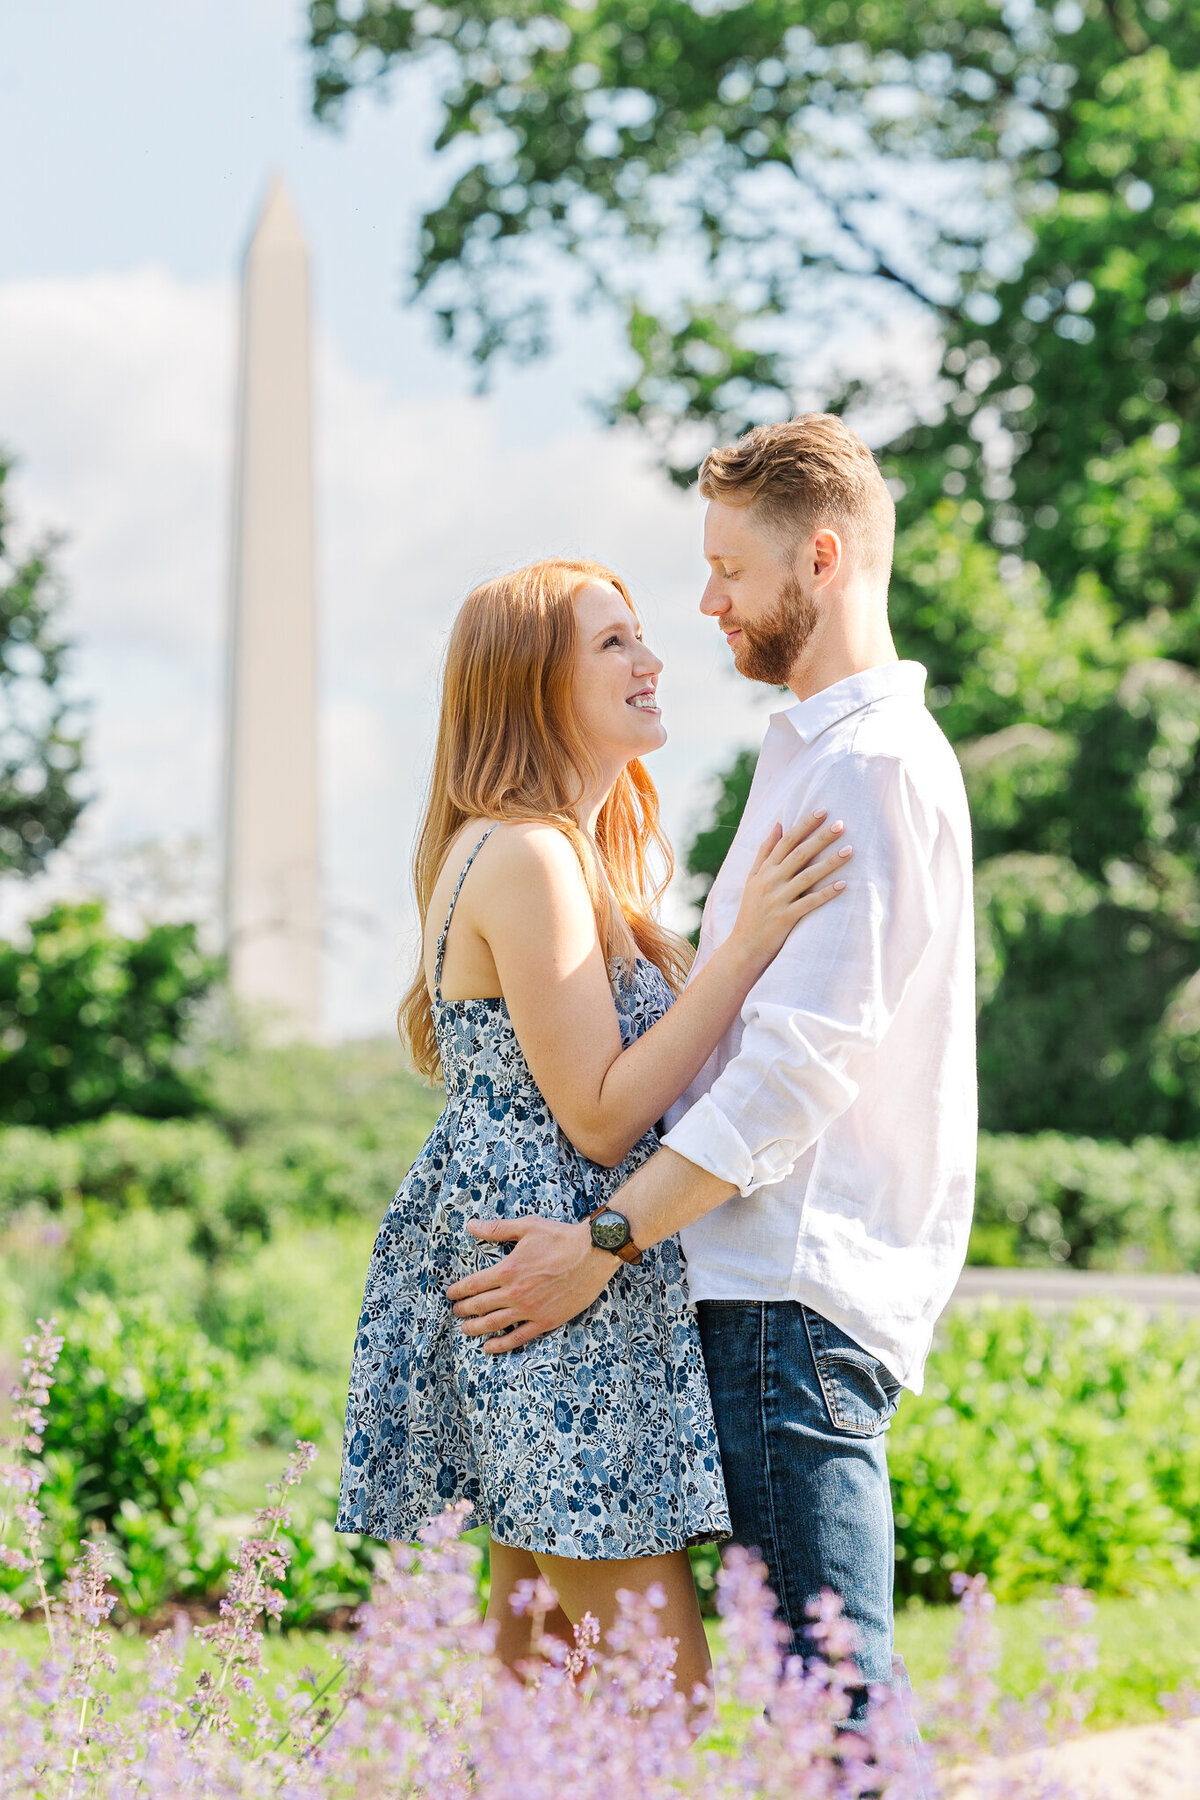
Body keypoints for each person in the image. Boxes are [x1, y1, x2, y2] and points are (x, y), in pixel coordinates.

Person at [447, 416, 978, 1705]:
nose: (706, 605)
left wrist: (608, 1241)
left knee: (832, 1715)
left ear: (825, 560)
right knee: (614, 1698)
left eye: (730, 570)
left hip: (784, 1300)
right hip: (739, 1297)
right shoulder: (810, 759)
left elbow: (794, 1076)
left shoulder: (867, 770)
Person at [336, 556, 853, 1702]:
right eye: (613, 642)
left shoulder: (554, 848)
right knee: (655, 1690)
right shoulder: (524, 852)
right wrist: (747, 944)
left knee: (546, 1672)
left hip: (557, 1280)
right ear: (533, 684)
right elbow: (603, 1107)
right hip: (548, 1286)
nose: (652, 659)